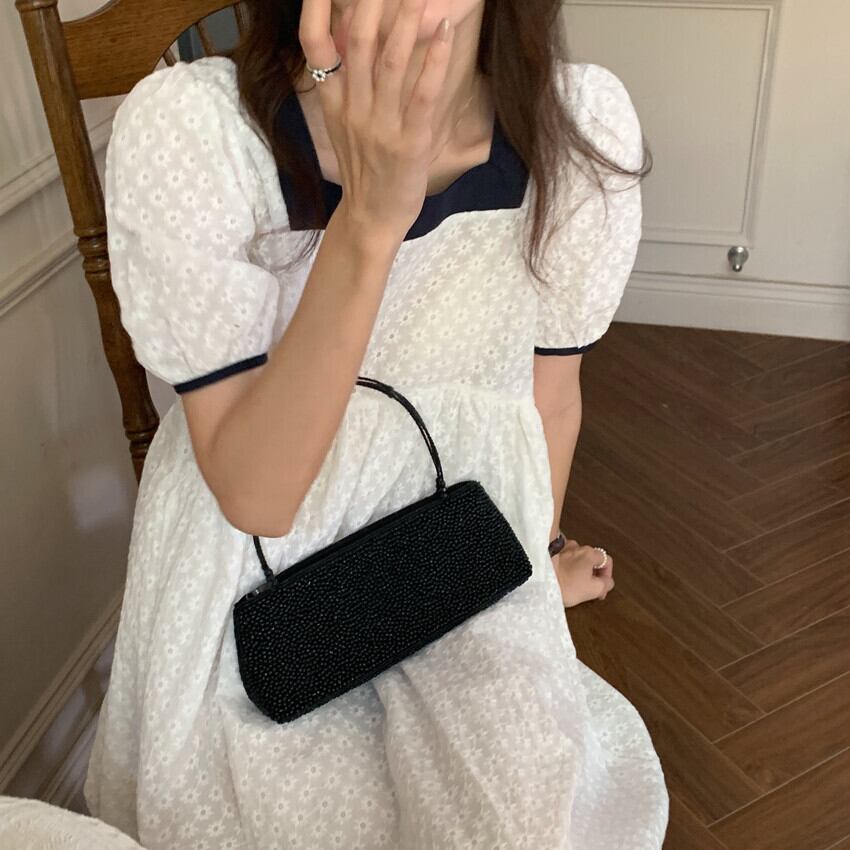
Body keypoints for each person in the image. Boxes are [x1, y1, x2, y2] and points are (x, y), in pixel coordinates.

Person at [84, 0, 670, 846]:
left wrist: (532, 564)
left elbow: (549, 400)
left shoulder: (575, 130)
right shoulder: (199, 134)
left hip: (460, 537)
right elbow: (257, 497)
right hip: (256, 577)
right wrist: (368, 217)